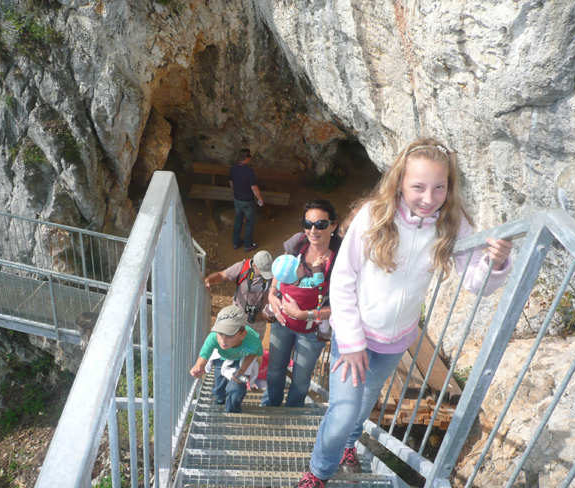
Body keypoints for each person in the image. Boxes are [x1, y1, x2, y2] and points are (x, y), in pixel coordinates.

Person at [296, 138, 513, 487]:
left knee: (363, 405)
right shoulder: (374, 215)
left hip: (394, 342)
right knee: (342, 411)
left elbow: (477, 283)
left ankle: (350, 446)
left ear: (449, 187)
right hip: (355, 336)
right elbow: (343, 279)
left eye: (439, 187)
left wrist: (495, 262)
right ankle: (319, 472)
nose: (429, 198)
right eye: (418, 187)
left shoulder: (450, 222)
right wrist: (350, 342)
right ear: (399, 182)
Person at [261, 200, 342, 408]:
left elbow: (342, 307)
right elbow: (280, 272)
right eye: (308, 224)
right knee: (275, 368)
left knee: (301, 377)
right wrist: (271, 294)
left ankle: (293, 410)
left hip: (312, 328)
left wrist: (304, 315)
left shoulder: (341, 260)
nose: (313, 230)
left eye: (321, 225)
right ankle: (271, 404)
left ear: (333, 226)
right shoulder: (297, 243)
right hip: (283, 320)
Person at [189, 304, 263, 413]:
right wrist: (199, 367)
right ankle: (219, 399)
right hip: (222, 358)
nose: (223, 341)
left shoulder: (253, 340)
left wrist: (241, 371)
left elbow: (254, 355)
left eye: (230, 335)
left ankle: (232, 411)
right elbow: (205, 354)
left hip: (241, 359)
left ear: (242, 334)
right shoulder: (213, 337)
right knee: (219, 388)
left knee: (236, 388)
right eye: (220, 334)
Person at [204, 250, 274, 340]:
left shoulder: (273, 272)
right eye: (263, 271)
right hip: (239, 314)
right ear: (255, 265)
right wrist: (208, 281)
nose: (266, 275)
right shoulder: (242, 267)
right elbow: (222, 275)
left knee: (253, 348)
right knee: (234, 344)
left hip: (259, 319)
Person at [229, 148, 264, 251]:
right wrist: (260, 199)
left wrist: (235, 192)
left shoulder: (233, 168)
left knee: (238, 220)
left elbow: (231, 182)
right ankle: (248, 245)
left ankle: (236, 242)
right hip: (247, 201)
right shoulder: (249, 171)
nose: (250, 159)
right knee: (249, 222)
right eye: (249, 157)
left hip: (237, 199)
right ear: (246, 158)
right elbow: (254, 187)